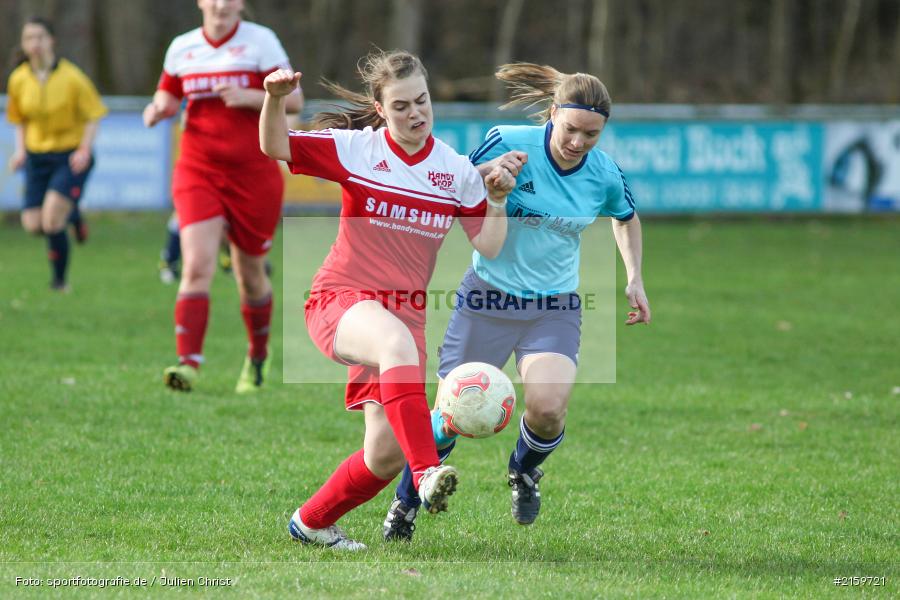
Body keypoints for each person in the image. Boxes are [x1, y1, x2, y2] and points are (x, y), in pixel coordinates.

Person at [259, 50, 518, 550]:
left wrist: (499, 199)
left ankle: (311, 522)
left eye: (421, 101)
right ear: (381, 110)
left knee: (383, 455)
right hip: (342, 300)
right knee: (397, 352)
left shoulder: (456, 171)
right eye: (401, 106)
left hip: (404, 317)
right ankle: (426, 473)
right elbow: (273, 145)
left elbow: (487, 245)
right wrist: (273, 100)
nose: (416, 113)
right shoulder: (356, 150)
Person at [382, 62, 652, 541]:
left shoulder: (605, 174)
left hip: (554, 307)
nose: (578, 142)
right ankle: (405, 504)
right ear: (552, 114)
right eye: (571, 129)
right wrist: (489, 174)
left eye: (592, 134)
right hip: (486, 299)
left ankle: (524, 470)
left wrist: (634, 277)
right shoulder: (509, 141)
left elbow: (625, 217)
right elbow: (454, 180)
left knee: (548, 408)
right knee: (449, 418)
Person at [143, 0, 303, 393]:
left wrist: (251, 96)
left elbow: (295, 101)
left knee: (250, 276)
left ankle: (257, 358)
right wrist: (158, 108)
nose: (220, 5)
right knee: (197, 265)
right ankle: (187, 363)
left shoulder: (260, 42)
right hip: (198, 170)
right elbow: (166, 95)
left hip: (253, 173)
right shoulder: (182, 47)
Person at [6, 17, 106, 291]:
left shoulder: (72, 77)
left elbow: (93, 115)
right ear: (24, 44)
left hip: (69, 156)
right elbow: (20, 118)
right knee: (33, 225)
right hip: (37, 157)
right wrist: (21, 151)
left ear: (52, 40)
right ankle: (74, 216)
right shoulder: (18, 79)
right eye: (29, 38)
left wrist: (85, 149)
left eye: (40, 37)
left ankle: (60, 282)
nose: (35, 44)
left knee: (52, 220)